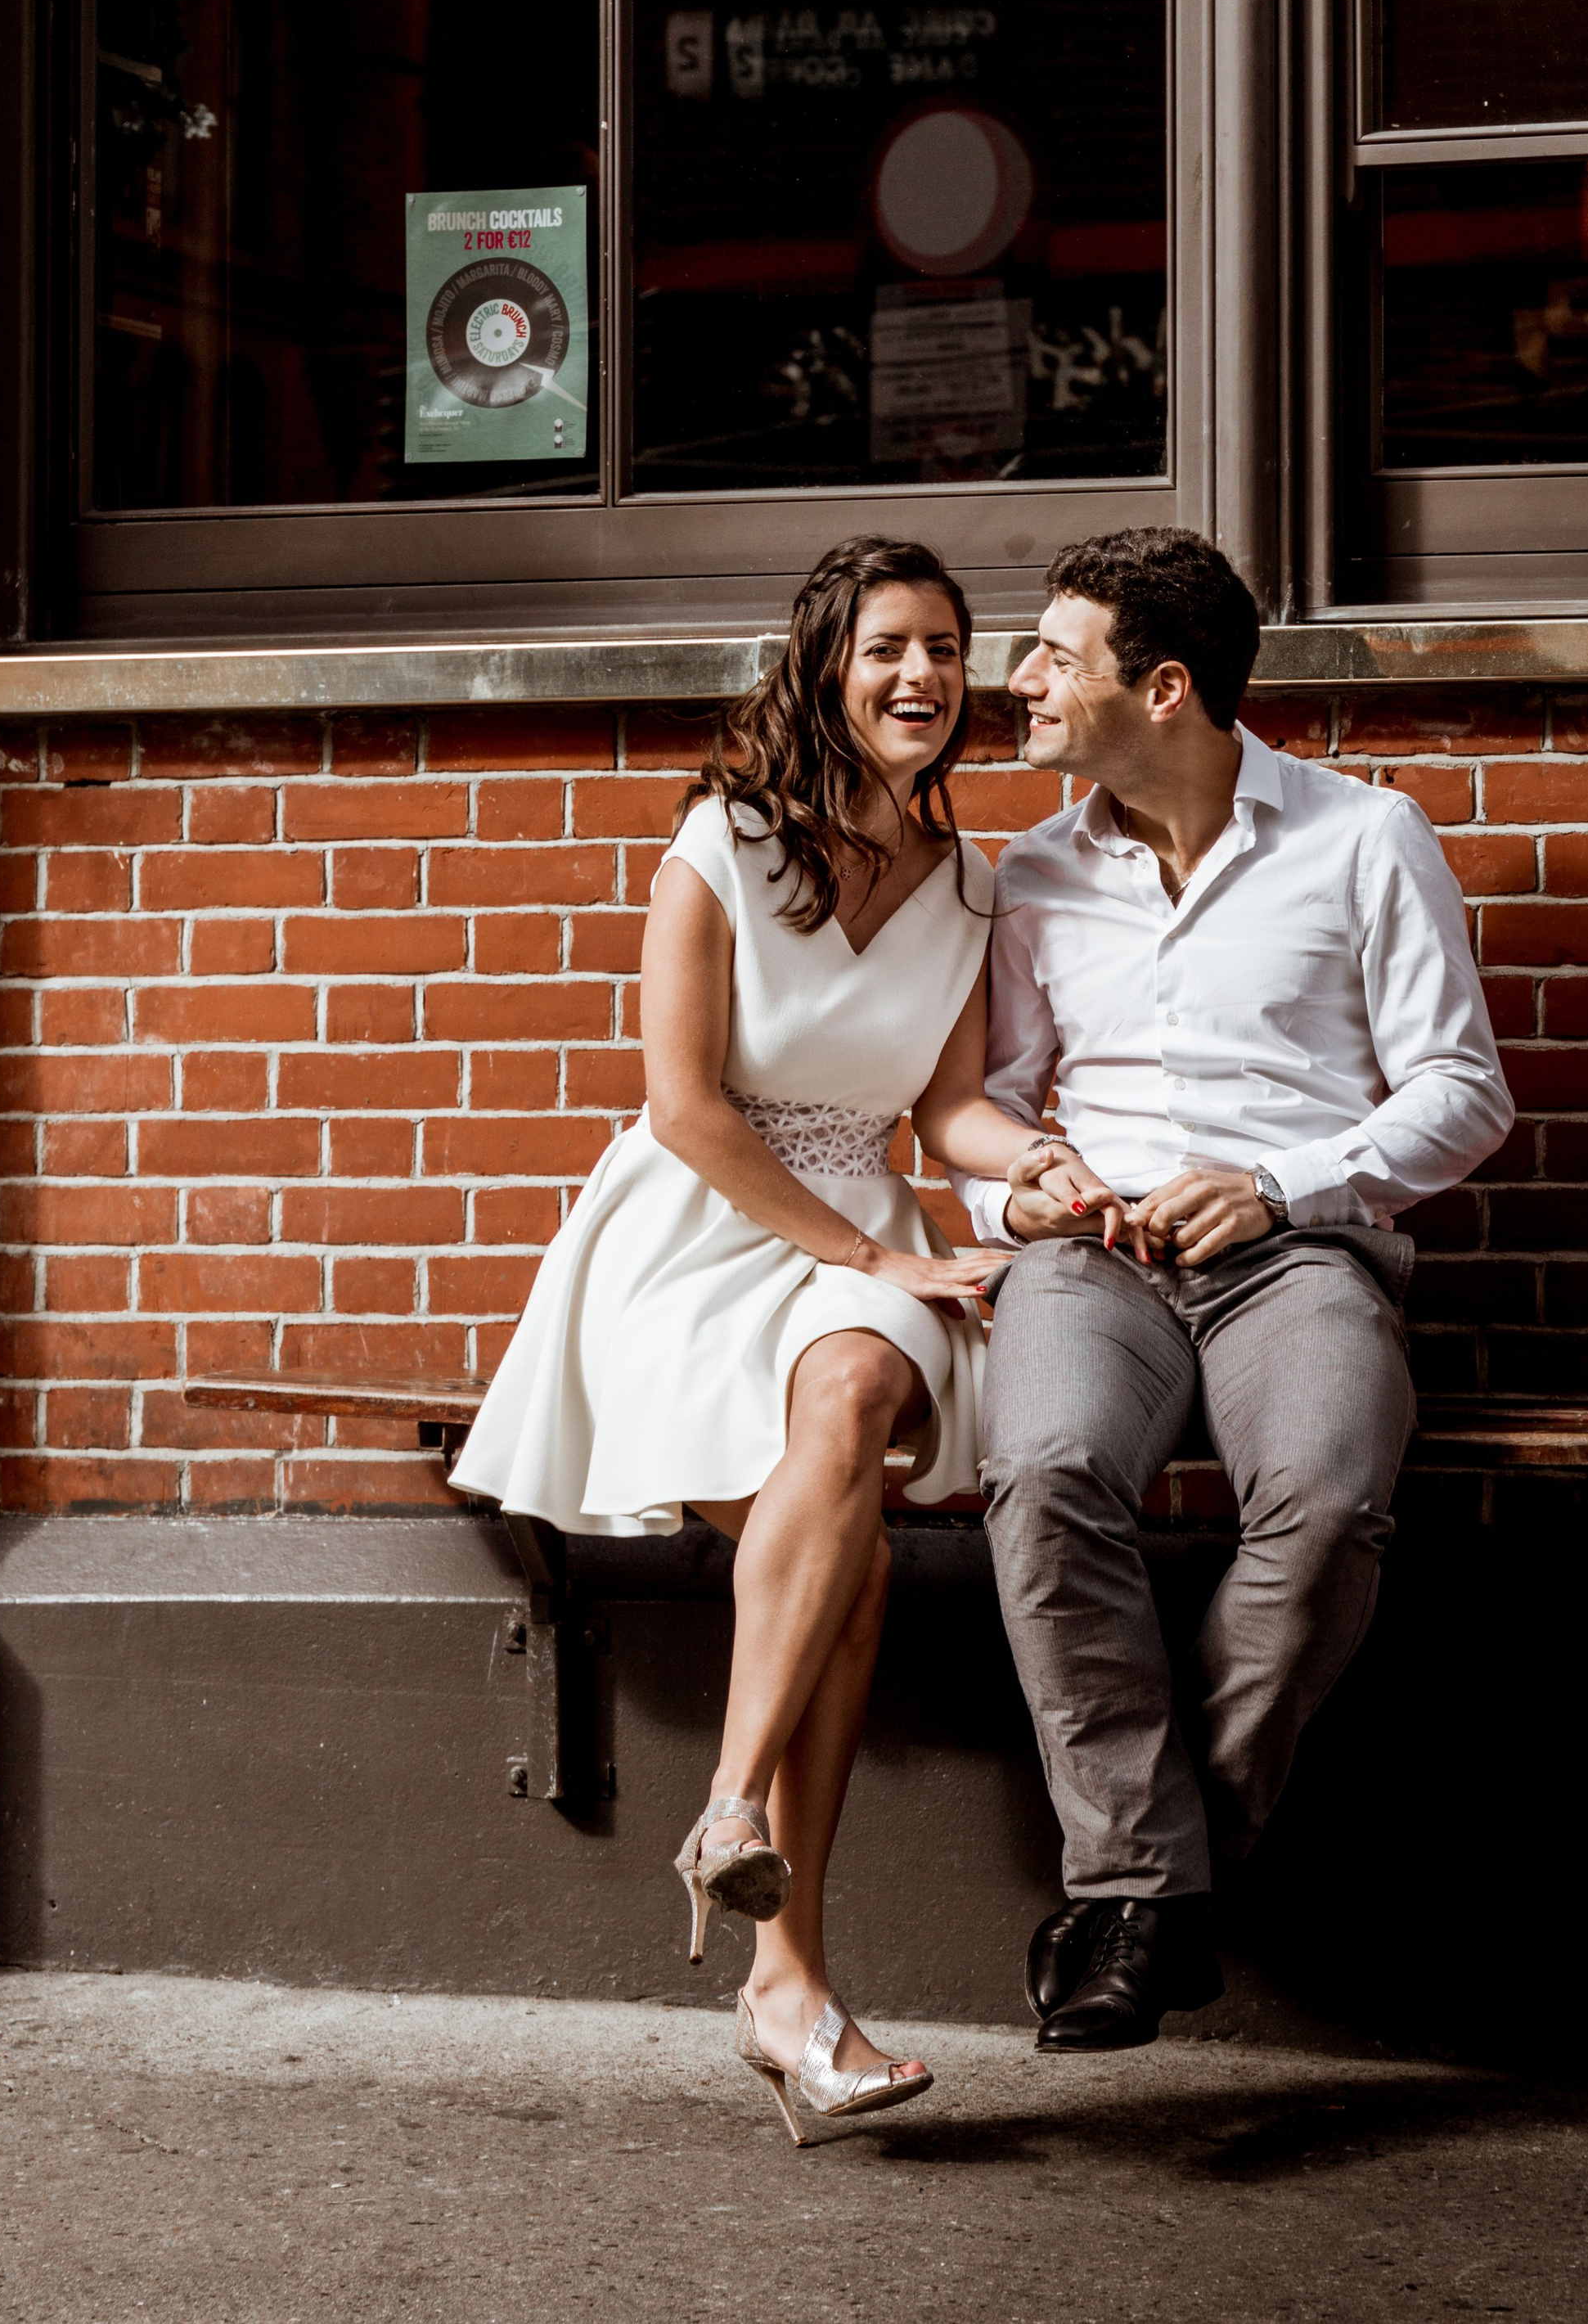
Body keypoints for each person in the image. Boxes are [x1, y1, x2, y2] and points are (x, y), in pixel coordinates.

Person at [449, 534, 1119, 2141]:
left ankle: (736, 1807)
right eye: (889, 646)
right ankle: (786, 1986)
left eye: (948, 652)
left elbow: (946, 1105)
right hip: (690, 1231)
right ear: (828, 665)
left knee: (865, 1368)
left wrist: (1025, 1161)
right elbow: (683, 1106)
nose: (923, 678)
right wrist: (856, 1239)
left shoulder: (973, 879)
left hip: (857, 1234)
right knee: (857, 1558)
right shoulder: (723, 841)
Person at [949, 527, 1515, 2055]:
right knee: (1047, 1468)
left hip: (1302, 1255)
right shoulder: (1032, 872)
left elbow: (1466, 1093)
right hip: (1097, 1260)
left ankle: (1146, 1881)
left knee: (1329, 1501)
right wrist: (1032, 1184)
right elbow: (988, 1103)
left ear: (1167, 687)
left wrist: (1281, 1184)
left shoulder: (1366, 838)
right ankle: (1153, 1881)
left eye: (1055, 655)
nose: (1021, 680)